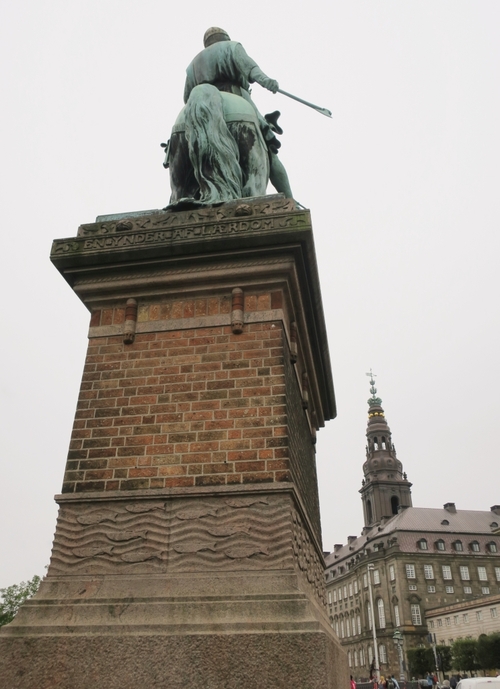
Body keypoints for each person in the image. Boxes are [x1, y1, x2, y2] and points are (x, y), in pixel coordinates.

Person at [183, 27, 293, 199]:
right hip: (239, 97)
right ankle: (289, 200)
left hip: (199, 109)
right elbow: (251, 69)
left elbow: (187, 99)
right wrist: (267, 81)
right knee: (271, 155)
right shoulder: (232, 47)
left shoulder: (192, 65)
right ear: (225, 38)